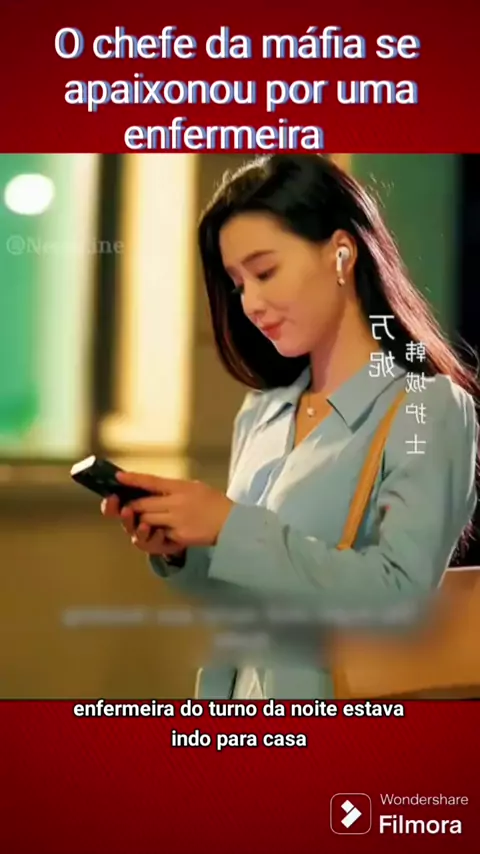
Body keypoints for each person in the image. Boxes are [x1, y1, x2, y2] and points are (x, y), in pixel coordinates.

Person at [102, 154, 478, 700]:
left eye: (265, 272)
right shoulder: (263, 410)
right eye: (237, 284)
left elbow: (403, 595)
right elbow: (250, 594)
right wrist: (184, 549)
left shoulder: (428, 407)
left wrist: (228, 526)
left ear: (341, 253)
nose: (250, 304)